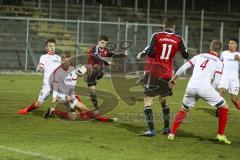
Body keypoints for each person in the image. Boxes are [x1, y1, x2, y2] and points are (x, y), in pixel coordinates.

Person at [167, 40, 231, 144]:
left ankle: (172, 133)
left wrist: (173, 79)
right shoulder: (219, 62)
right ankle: (220, 135)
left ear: (210, 47)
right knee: (224, 107)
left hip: (191, 86)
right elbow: (216, 80)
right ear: (219, 50)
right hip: (205, 88)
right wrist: (212, 92)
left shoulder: (199, 56)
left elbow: (184, 67)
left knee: (183, 109)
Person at [137, 17, 189, 136]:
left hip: (155, 72)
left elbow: (150, 51)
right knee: (163, 100)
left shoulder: (157, 35)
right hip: (167, 74)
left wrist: (151, 52)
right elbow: (186, 55)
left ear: (163, 25)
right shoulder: (178, 39)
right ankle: (166, 128)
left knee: (147, 100)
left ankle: (151, 130)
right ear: (173, 27)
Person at [44, 53, 116, 122]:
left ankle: (52, 111)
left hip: (71, 94)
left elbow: (82, 73)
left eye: (68, 61)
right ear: (61, 61)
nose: (67, 63)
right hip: (63, 96)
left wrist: (88, 70)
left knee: (72, 117)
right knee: (85, 108)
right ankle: (104, 120)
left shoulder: (72, 69)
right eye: (65, 61)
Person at [17, 38, 61, 115]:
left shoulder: (59, 58)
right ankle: (26, 110)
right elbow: (40, 67)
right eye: (50, 46)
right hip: (47, 85)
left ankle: (68, 113)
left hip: (57, 85)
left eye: (53, 46)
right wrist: (40, 68)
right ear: (46, 48)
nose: (52, 47)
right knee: (39, 104)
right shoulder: (44, 57)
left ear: (55, 47)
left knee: (67, 100)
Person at [87, 35, 128, 111]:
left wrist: (123, 55)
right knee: (92, 90)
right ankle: (96, 109)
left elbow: (113, 54)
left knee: (99, 67)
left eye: (105, 43)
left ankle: (100, 72)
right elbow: (97, 56)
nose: (103, 45)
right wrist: (107, 62)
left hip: (98, 72)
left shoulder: (105, 50)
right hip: (91, 71)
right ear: (98, 42)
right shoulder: (94, 49)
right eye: (102, 43)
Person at [216, 38, 240, 116]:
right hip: (224, 77)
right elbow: (220, 63)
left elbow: (238, 58)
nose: (230, 45)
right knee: (221, 92)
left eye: (232, 43)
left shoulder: (238, 54)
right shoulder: (224, 53)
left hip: (234, 79)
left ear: (236, 45)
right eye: (229, 43)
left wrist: (238, 59)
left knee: (234, 99)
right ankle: (220, 110)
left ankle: (237, 105)